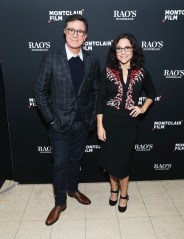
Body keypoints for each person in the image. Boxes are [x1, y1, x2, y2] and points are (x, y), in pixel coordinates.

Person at [35, 14, 100, 225]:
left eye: (80, 31)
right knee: (60, 164)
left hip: (83, 124)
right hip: (60, 124)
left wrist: (91, 117)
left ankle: (73, 190)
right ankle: (59, 202)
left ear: (86, 36)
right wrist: (51, 120)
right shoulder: (52, 57)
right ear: (65, 32)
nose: (75, 34)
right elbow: (40, 92)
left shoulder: (91, 59)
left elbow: (96, 90)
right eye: (71, 30)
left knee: (75, 161)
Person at [96, 33, 156, 213]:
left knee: (123, 163)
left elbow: (152, 93)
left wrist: (143, 108)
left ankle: (124, 194)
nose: (123, 52)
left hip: (129, 125)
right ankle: (114, 190)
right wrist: (99, 125)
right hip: (110, 122)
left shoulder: (142, 72)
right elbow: (99, 101)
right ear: (115, 51)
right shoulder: (107, 71)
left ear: (133, 50)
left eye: (127, 48)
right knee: (111, 163)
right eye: (119, 48)